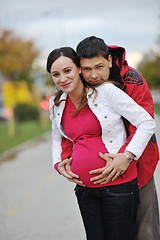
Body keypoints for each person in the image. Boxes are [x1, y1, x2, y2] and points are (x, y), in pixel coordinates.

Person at [47, 46, 156, 240]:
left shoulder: (105, 92)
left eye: (67, 71)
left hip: (118, 186)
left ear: (79, 69)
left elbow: (146, 122)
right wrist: (58, 164)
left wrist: (127, 156)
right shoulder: (57, 104)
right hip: (85, 191)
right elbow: (57, 137)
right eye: (56, 74)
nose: (62, 78)